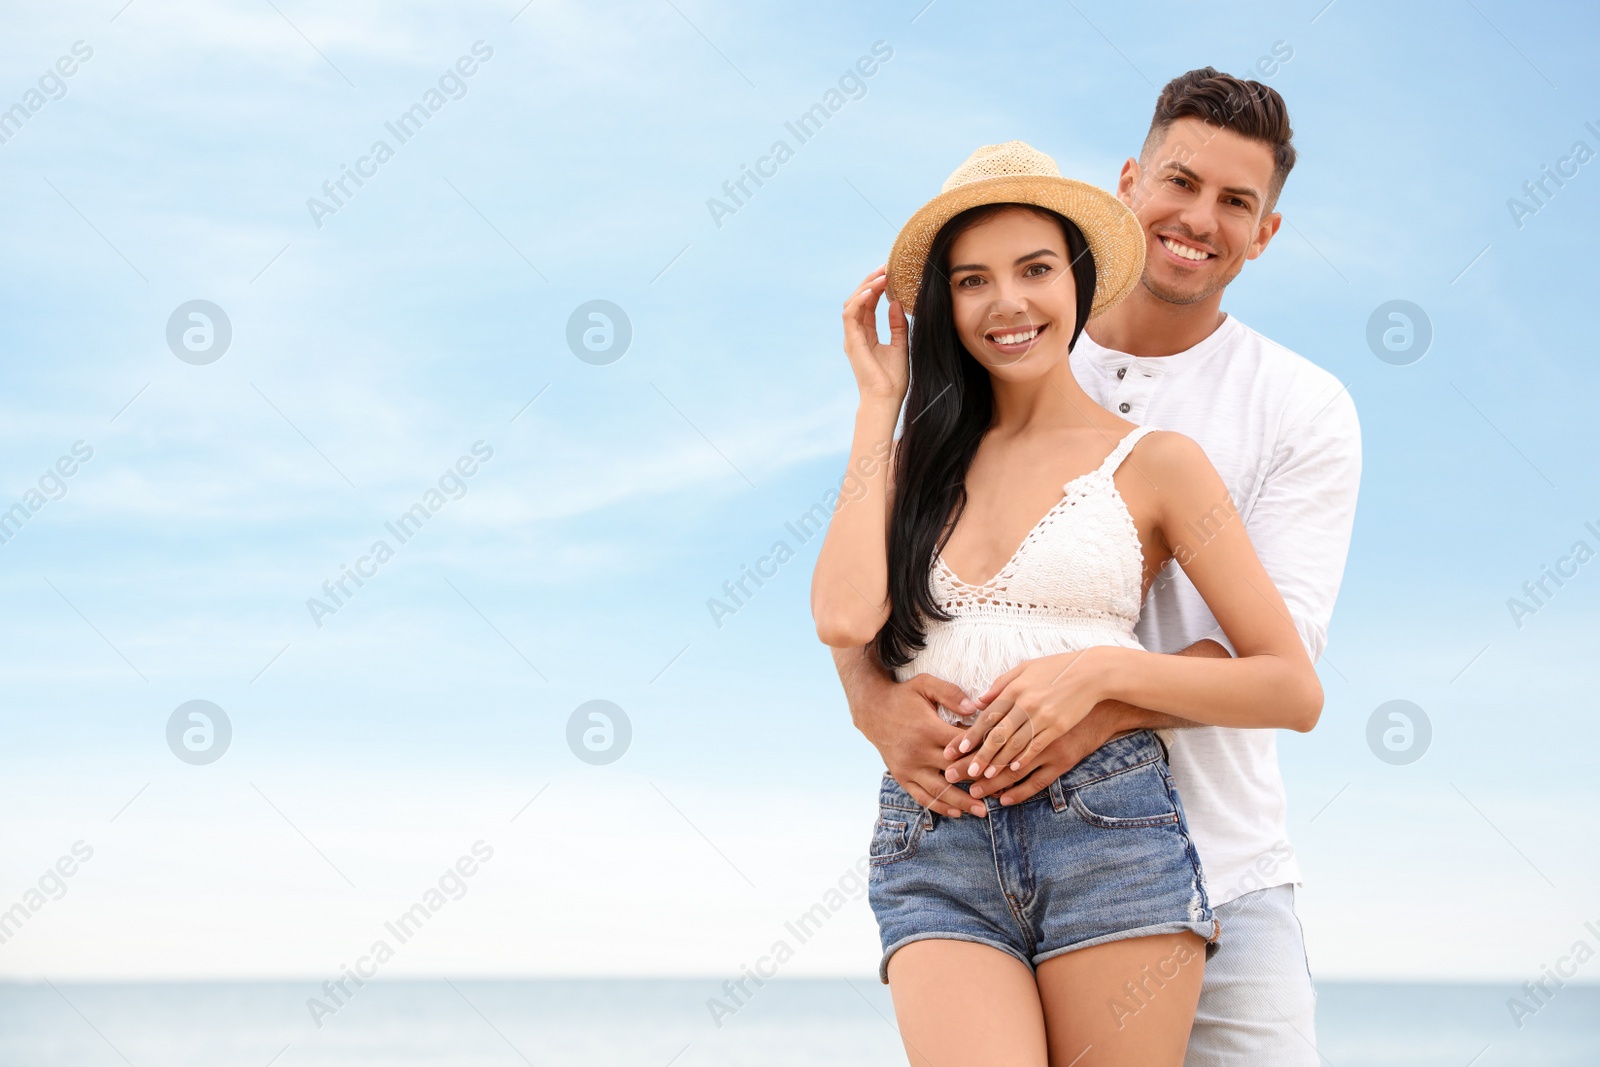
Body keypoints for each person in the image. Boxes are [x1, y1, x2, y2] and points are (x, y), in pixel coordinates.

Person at [829, 70, 1361, 1065]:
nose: (1198, 218)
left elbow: (1287, 663)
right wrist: (870, 697)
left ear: (1265, 231)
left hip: (1207, 848)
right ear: (1127, 183)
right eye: (1180, 181)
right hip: (962, 823)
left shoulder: (1298, 406)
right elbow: (873, 588)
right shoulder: (1005, 360)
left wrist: (1095, 691)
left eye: (1235, 202)